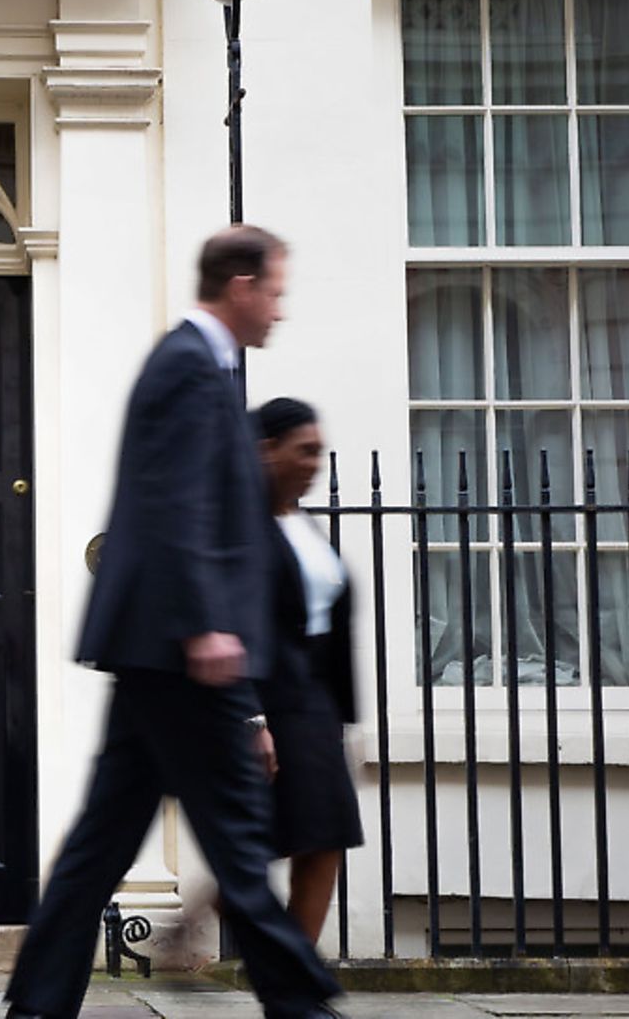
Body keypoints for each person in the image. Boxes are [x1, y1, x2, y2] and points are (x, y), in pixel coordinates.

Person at [2, 227, 346, 1019]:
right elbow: (175, 503)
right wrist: (206, 626)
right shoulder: (190, 366)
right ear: (238, 283)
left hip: (158, 650)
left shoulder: (204, 366)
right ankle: (303, 1001)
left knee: (101, 844)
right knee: (234, 832)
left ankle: (36, 1003)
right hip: (183, 651)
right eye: (275, 292)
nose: (279, 311)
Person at [251, 397, 363, 944]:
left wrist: (346, 721)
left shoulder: (303, 523)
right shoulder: (243, 523)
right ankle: (287, 973)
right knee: (254, 848)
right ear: (268, 450)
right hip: (271, 700)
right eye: (306, 450)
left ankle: (295, 971)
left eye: (320, 451)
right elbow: (236, 623)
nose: (316, 463)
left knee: (325, 839)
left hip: (315, 703)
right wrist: (252, 718)